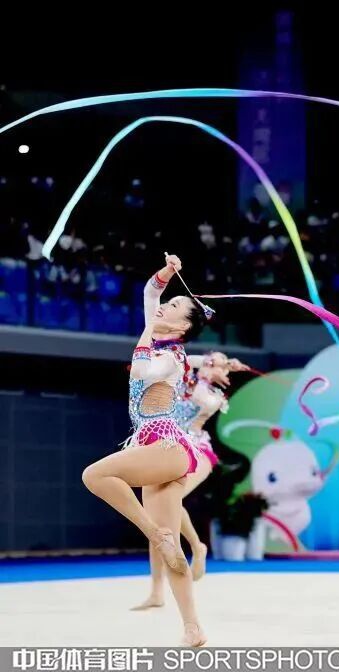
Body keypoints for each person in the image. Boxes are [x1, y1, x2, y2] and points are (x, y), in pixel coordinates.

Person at [81, 253, 210, 647]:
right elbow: (150, 293)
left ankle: (155, 534)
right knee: (172, 549)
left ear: (182, 326)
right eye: (169, 301)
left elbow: (139, 371)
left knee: (94, 475)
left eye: (174, 305)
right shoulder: (159, 337)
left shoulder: (169, 356)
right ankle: (193, 628)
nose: (165, 305)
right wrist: (168, 273)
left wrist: (148, 329)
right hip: (160, 449)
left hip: (165, 443)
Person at [132, 352, 249, 610]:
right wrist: (211, 362)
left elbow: (199, 397)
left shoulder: (214, 397)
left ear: (224, 375)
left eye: (217, 363)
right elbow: (184, 359)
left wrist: (214, 369)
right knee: (157, 519)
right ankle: (156, 592)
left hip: (198, 452)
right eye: (210, 359)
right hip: (169, 447)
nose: (210, 362)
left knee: (170, 503)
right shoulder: (184, 376)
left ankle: (197, 547)